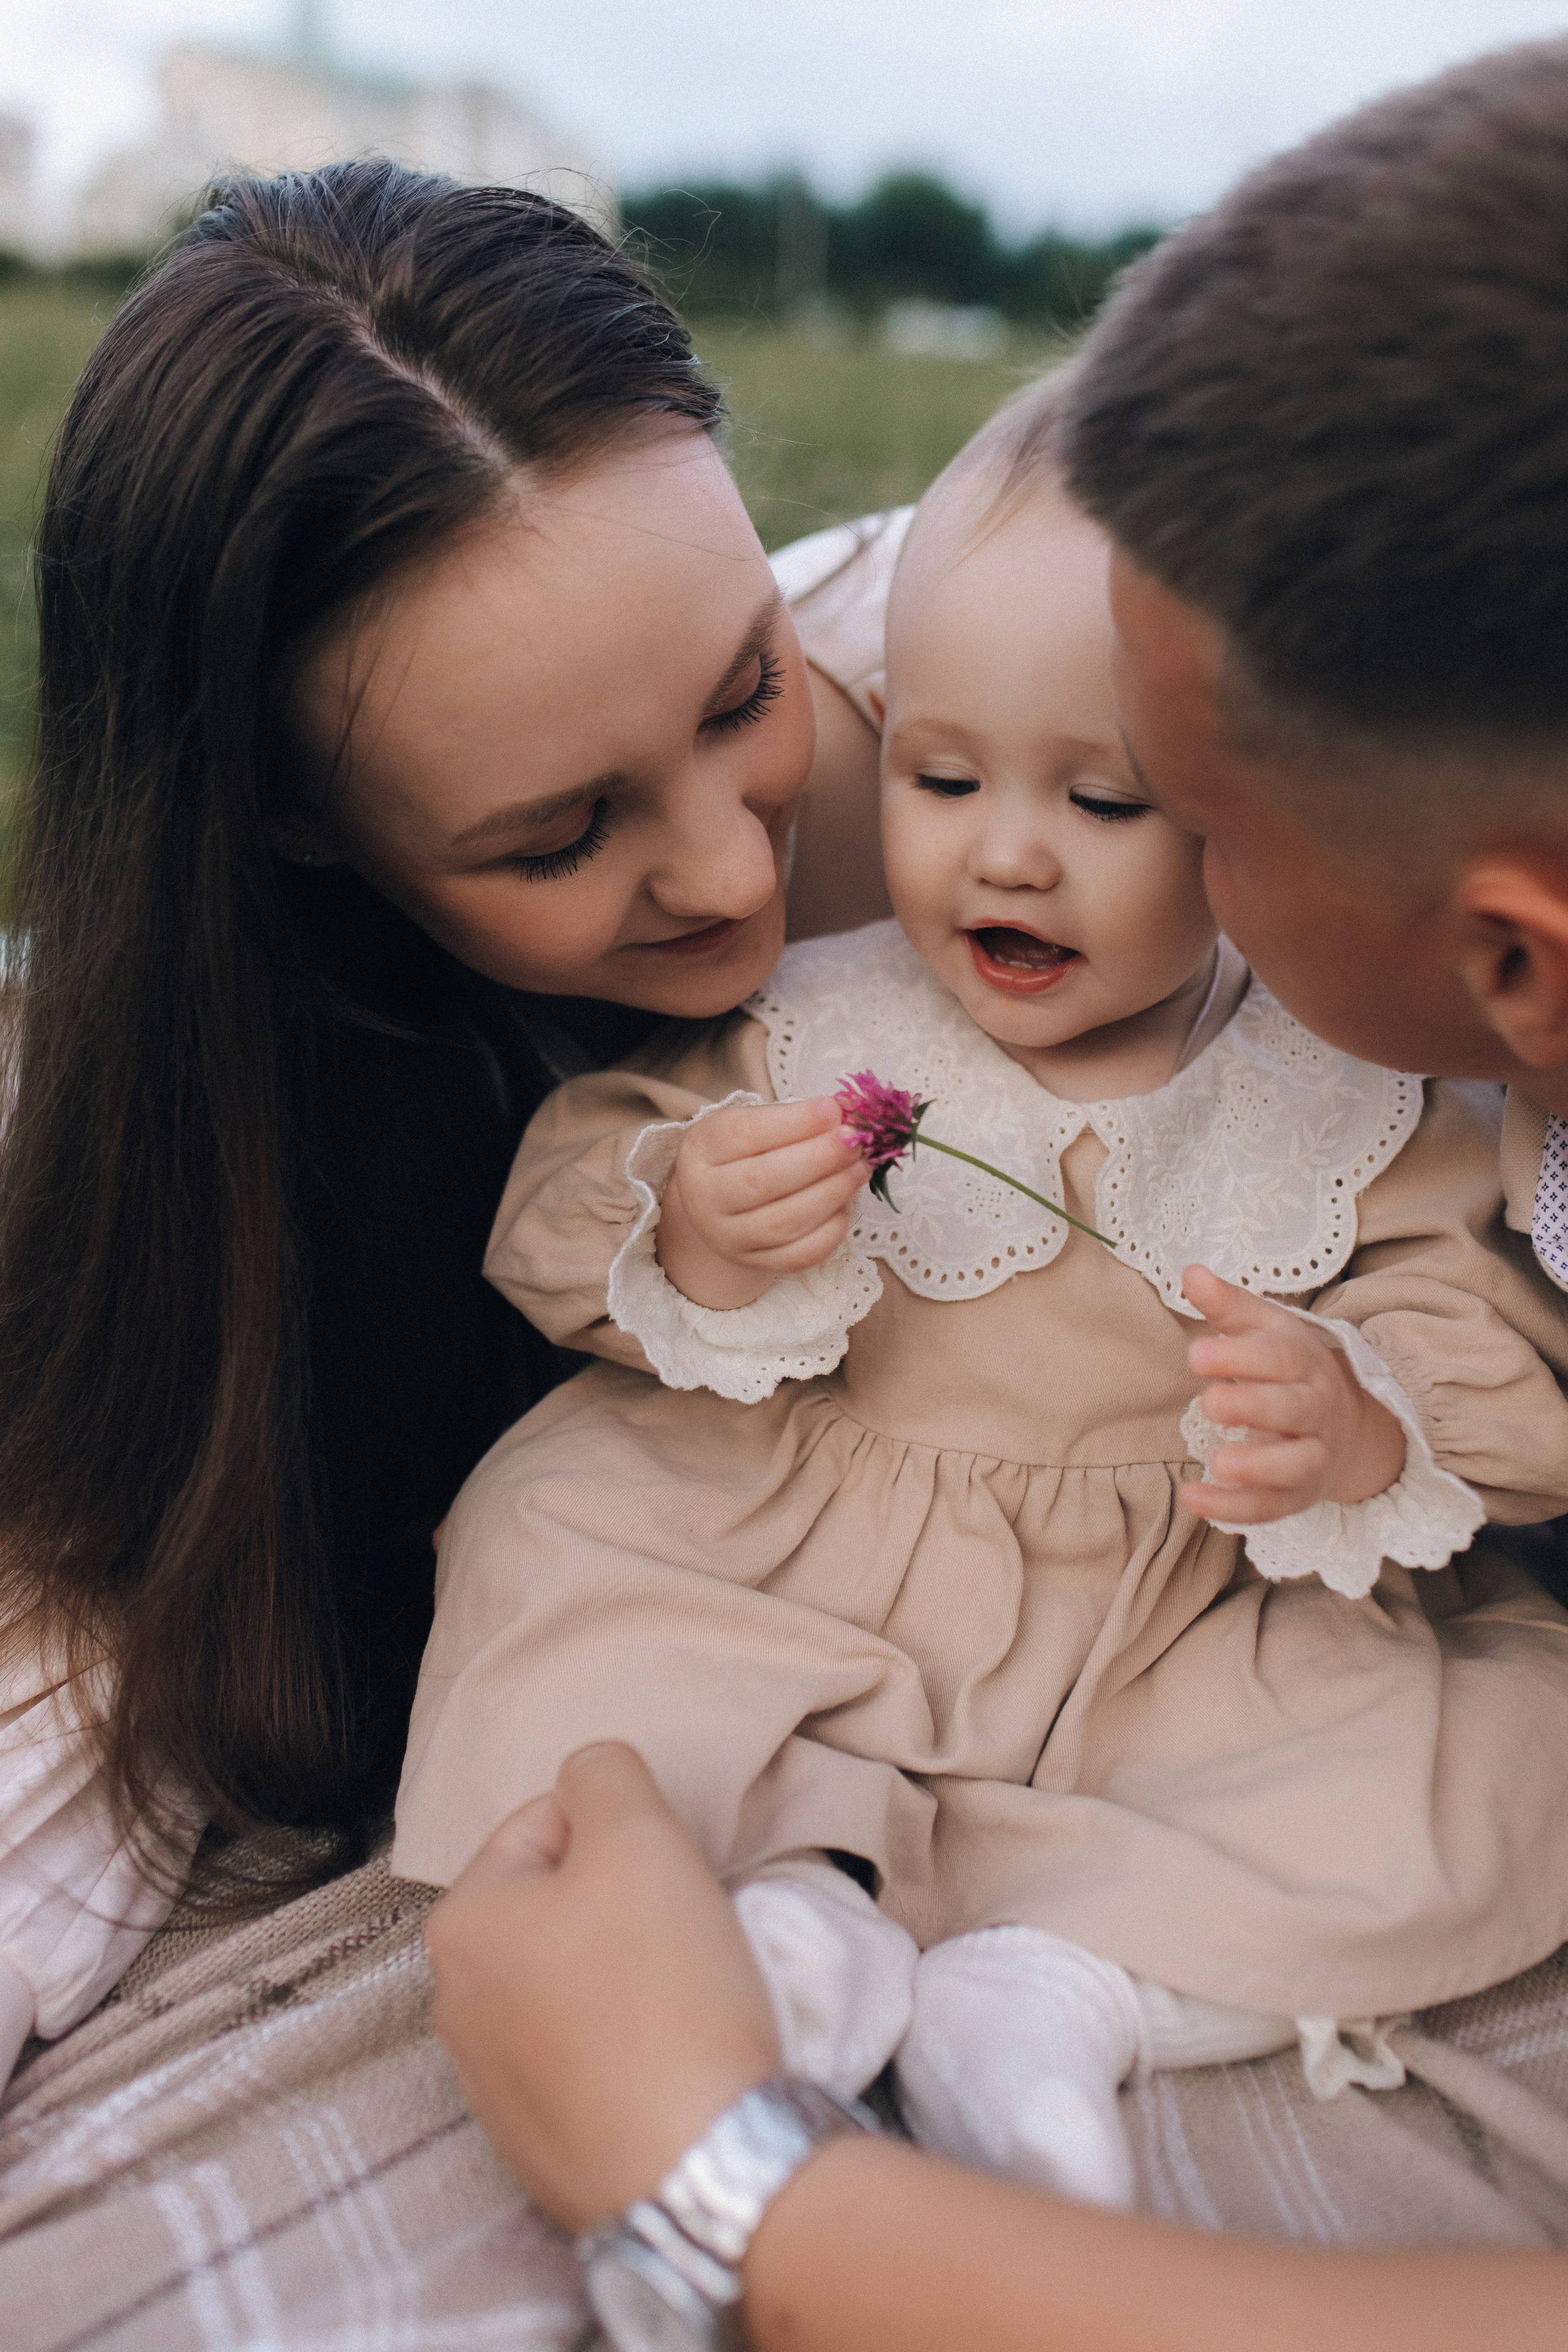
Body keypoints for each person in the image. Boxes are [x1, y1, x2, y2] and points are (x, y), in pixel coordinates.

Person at [424, 37, 1568, 2352]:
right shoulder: (833, 999)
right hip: (805, 1539)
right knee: (573, 1590)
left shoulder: (1349, 1090)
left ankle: (1061, 1989)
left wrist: (1355, 1422)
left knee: (1471, 1744)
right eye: (935, 770)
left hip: (1181, 1599)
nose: (1001, 849)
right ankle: (797, 1924)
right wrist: (690, 1219)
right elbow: (569, 1199)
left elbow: (1489, 1353)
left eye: (1157, 810)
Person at [0, 159, 887, 2083]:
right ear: (288, 826)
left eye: (750, 688)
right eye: (560, 835)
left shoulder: (1045, 712)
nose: (733, 872)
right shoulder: (226, 1130)